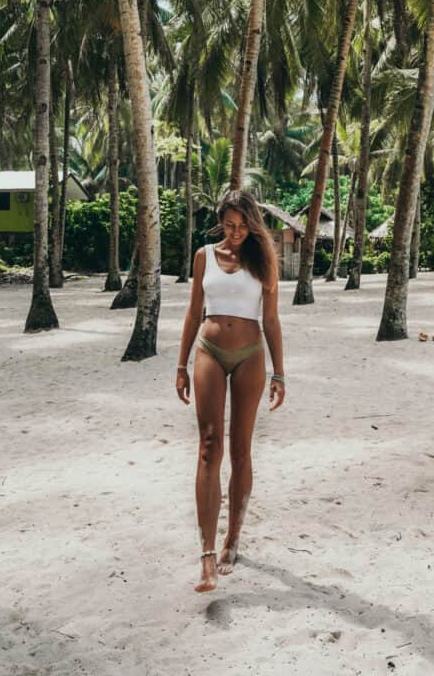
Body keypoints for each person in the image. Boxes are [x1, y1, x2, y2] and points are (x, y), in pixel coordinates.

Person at [175, 189, 285, 593]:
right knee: (208, 446)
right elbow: (192, 312)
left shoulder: (264, 260)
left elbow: (271, 320)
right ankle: (206, 555)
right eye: (230, 224)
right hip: (209, 349)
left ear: (253, 223)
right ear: (221, 220)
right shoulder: (204, 255)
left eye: (243, 226)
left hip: (251, 356)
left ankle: (232, 538)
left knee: (240, 450)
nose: (236, 233)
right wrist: (180, 364)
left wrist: (280, 373)